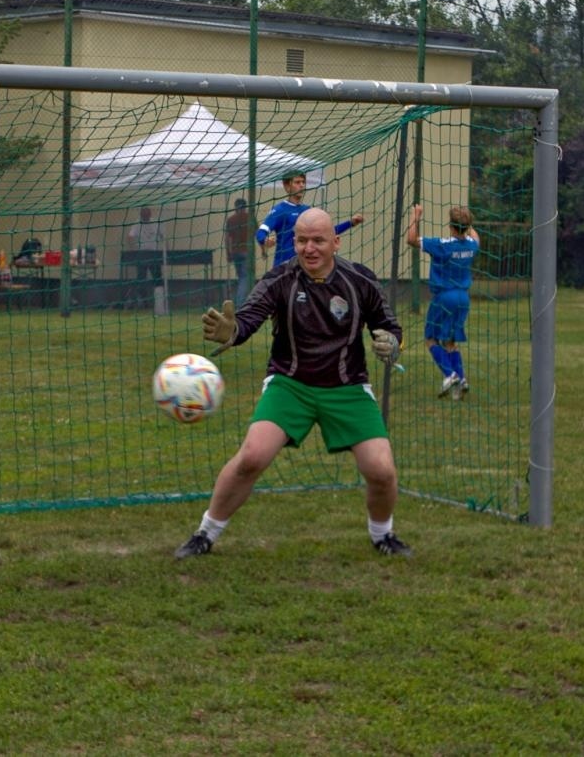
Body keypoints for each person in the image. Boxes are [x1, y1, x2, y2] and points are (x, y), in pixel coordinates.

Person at [175, 208, 411, 560]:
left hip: (347, 387)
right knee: (252, 457)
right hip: (290, 384)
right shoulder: (280, 279)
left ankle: (383, 535)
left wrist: (392, 345)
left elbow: (390, 326)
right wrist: (233, 330)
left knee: (381, 470)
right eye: (301, 241)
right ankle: (205, 534)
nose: (309, 248)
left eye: (317, 240)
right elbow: (249, 317)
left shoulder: (359, 280)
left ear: (336, 242)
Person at [406, 203, 479, 399]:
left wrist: (416, 215)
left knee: (430, 338)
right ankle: (461, 379)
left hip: (444, 296)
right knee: (450, 341)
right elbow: (476, 236)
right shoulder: (472, 245)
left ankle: (450, 375)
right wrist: (468, 222)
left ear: (451, 227)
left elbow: (411, 239)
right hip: (463, 298)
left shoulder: (442, 245)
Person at [255, 171, 363, 268]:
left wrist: (351, 223)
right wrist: (264, 240)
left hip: (305, 267)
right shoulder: (279, 210)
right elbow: (260, 232)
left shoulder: (308, 210)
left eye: (303, 182)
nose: (302, 185)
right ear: (287, 186)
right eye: (297, 182)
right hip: (284, 268)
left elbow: (327, 233)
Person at [224, 198, 253, 305]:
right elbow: (258, 234)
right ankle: (241, 304)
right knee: (245, 278)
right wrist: (263, 250)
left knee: (242, 277)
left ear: (235, 207)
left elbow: (228, 239)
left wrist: (228, 254)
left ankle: (242, 302)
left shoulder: (231, 220)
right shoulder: (249, 218)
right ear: (245, 207)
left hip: (235, 252)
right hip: (247, 252)